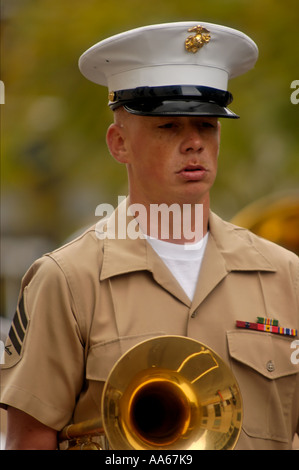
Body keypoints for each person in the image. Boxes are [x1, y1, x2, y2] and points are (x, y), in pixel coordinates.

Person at [1, 21, 298, 450]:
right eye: (169, 127)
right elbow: (30, 441)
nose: (194, 143)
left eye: (208, 127)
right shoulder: (66, 280)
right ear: (119, 143)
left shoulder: (286, 276)